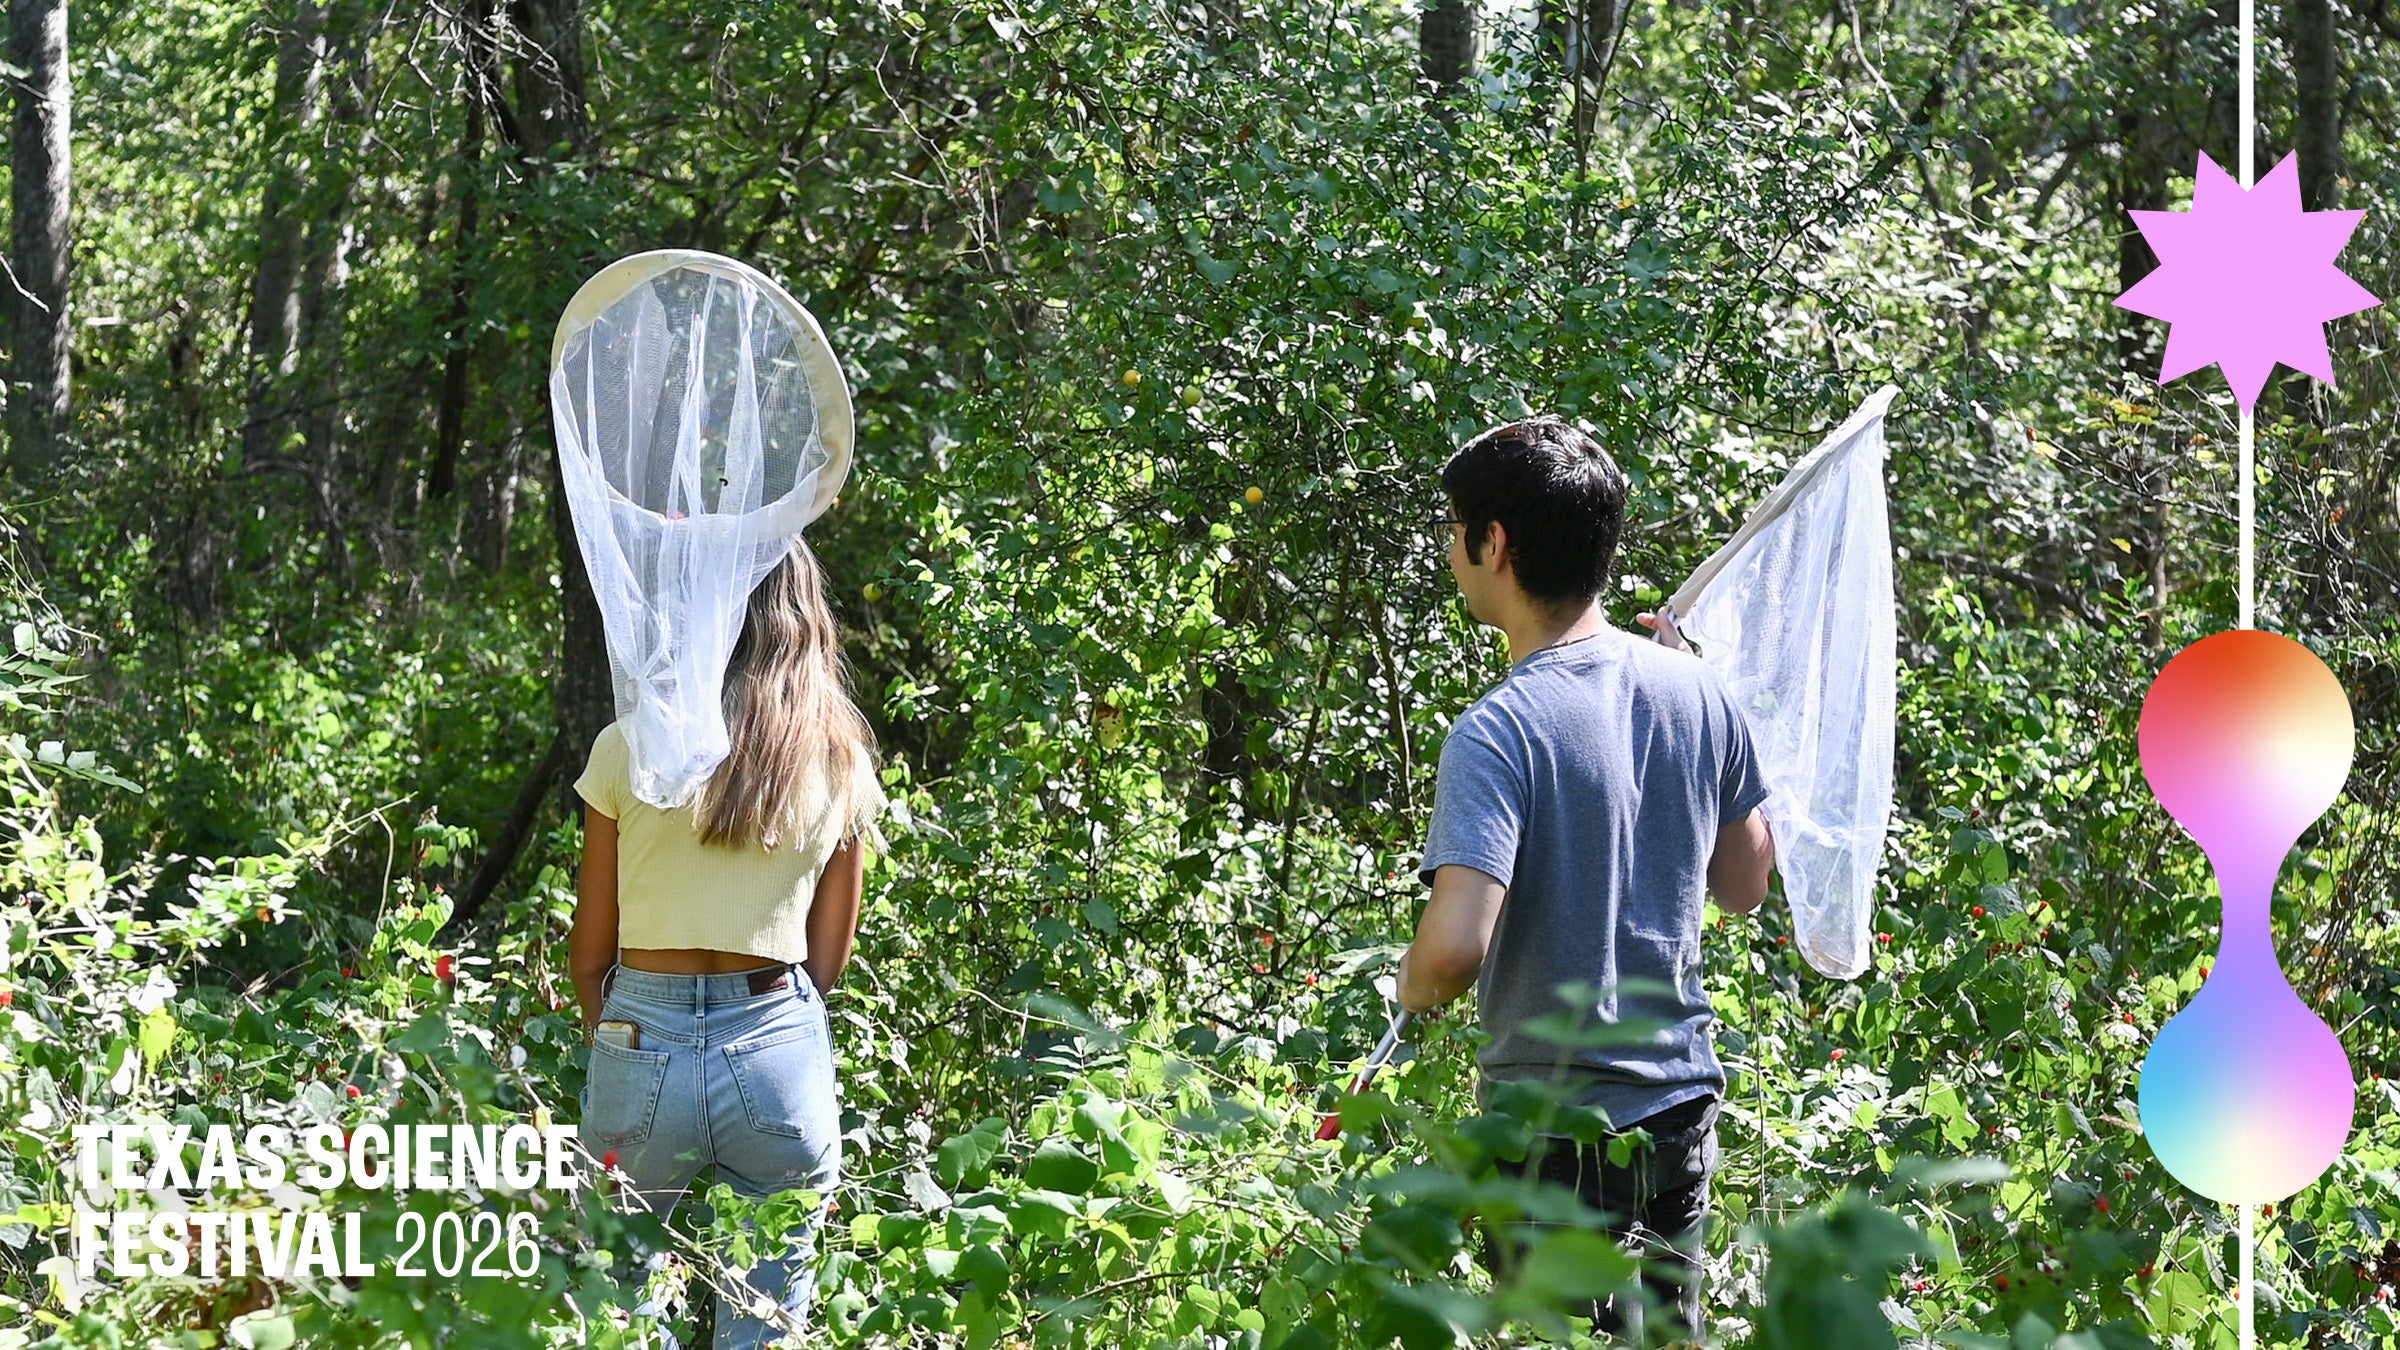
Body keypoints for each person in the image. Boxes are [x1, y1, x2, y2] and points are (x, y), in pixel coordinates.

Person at [1394, 416, 1775, 1345]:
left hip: (1553, 1134)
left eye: (1455, 529)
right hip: (1679, 1113)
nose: (1450, 548)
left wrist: (1407, 989)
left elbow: (1452, 952)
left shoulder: (1497, 732)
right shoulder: (1698, 691)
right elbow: (1746, 884)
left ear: (1494, 545)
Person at [566, 538, 886, 1349]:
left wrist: (627, 1040)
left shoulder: (628, 746)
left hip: (642, 1037)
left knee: (621, 1309)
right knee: (765, 1322)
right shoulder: (839, 755)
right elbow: (827, 963)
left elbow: (589, 953)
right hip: (774, 1041)